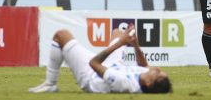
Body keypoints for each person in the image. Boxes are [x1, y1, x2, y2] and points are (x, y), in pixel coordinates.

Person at [28, 26, 172, 93]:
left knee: (61, 34)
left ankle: (50, 84)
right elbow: (144, 65)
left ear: (148, 83)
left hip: (91, 75)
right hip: (112, 65)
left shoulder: (123, 83)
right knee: (117, 32)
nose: (158, 69)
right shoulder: (144, 78)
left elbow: (93, 63)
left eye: (158, 73)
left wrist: (120, 43)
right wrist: (135, 44)